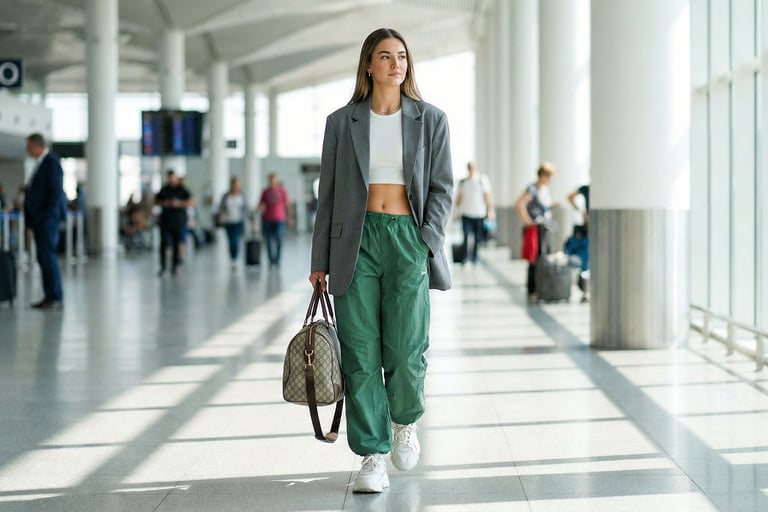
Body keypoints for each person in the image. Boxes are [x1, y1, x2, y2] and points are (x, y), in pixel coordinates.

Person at [308, 28, 454, 494]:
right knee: (360, 351)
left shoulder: (431, 119)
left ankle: (405, 423)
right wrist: (319, 260)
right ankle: (372, 454)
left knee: (407, 348)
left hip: (408, 238)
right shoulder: (341, 122)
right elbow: (326, 196)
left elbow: (442, 188)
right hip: (355, 240)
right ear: (368, 65)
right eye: (385, 57)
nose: (396, 64)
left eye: (402, 56)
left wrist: (426, 238)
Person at [23, 133, 67, 309]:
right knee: (44, 258)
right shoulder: (42, 163)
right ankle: (50, 296)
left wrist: (45, 216)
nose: (27, 150)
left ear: (36, 145)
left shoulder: (51, 163)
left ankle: (55, 297)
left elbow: (56, 193)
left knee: (48, 258)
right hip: (41, 220)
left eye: (29, 146)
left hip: (47, 221)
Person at [515, 161, 557, 300]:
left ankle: (539, 287)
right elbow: (520, 203)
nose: (550, 180)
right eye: (549, 176)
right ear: (543, 175)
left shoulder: (544, 190)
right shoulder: (532, 189)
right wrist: (528, 221)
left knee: (543, 256)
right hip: (536, 227)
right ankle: (533, 288)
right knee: (535, 257)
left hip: (544, 226)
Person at [454, 161, 494, 264]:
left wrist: (490, 210)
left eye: (472, 167)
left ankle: (475, 258)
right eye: (469, 167)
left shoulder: (482, 180)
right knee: (466, 235)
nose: (471, 169)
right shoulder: (462, 182)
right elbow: (459, 198)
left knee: (477, 237)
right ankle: (466, 258)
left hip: (479, 214)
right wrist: (456, 212)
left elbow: (487, 196)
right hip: (466, 213)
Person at [154, 170, 192, 276]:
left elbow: (191, 201)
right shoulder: (164, 189)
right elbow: (156, 201)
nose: (171, 180)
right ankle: (163, 266)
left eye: (173, 178)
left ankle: (174, 266)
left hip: (179, 221)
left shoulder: (182, 189)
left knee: (176, 244)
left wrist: (179, 203)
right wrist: (164, 203)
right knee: (164, 243)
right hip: (165, 221)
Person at [258, 173, 293, 266]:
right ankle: (271, 260)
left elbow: (288, 205)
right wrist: (257, 210)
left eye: (273, 180)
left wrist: (290, 217)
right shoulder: (265, 192)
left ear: (276, 181)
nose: (272, 182)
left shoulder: (282, 191)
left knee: (279, 239)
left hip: (280, 220)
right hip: (267, 219)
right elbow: (261, 204)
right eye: (270, 180)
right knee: (268, 240)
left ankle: (277, 259)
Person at [217, 176, 248, 266]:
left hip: (239, 221)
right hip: (228, 221)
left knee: (236, 241)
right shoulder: (226, 196)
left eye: (237, 184)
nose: (236, 185)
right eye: (234, 183)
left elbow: (246, 208)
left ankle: (235, 257)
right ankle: (232, 258)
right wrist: (220, 217)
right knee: (230, 241)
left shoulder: (243, 196)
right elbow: (221, 207)